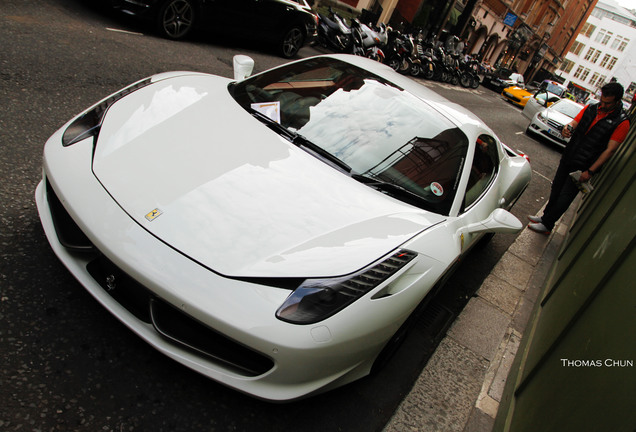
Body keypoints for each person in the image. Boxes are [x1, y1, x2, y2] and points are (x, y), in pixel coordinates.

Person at [528, 82, 630, 234]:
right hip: (570, 155)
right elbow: (574, 123)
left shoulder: (622, 122)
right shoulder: (592, 108)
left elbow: (609, 151)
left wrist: (590, 171)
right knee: (556, 187)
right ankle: (544, 217)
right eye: (602, 100)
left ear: (617, 101)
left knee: (565, 197)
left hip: (584, 165)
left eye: (607, 103)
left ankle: (548, 225)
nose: (603, 104)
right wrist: (566, 129)